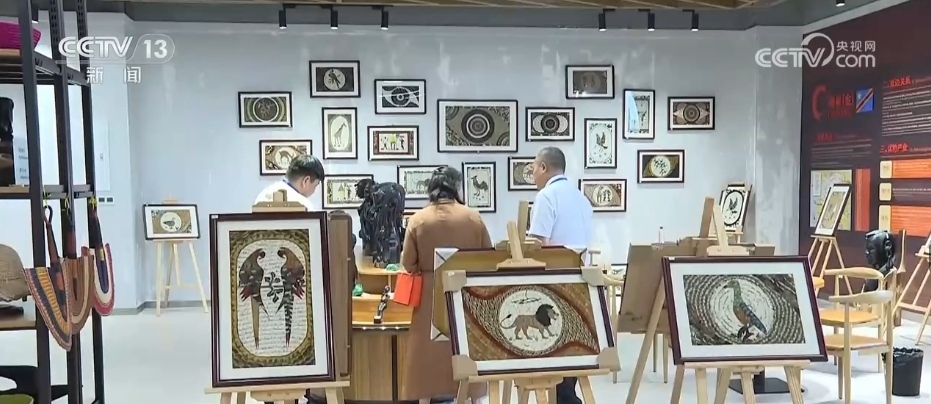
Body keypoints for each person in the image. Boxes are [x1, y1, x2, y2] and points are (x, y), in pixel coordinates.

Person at [401, 167, 492, 404]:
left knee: (426, 355)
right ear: (456, 187)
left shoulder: (418, 220)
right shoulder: (473, 218)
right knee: (467, 346)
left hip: (429, 294)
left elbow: (408, 263)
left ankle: (424, 399)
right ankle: (474, 397)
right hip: (466, 291)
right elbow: (488, 258)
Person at [527, 147, 593, 404]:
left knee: (553, 350)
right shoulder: (581, 198)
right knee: (570, 348)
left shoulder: (546, 196)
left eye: (534, 168)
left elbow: (537, 246)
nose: (533, 173)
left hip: (553, 284)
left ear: (544, 167)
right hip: (579, 283)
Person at [254, 155, 325, 210]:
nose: (314, 190)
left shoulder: (263, 195)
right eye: (315, 185)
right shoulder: (303, 205)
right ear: (306, 181)